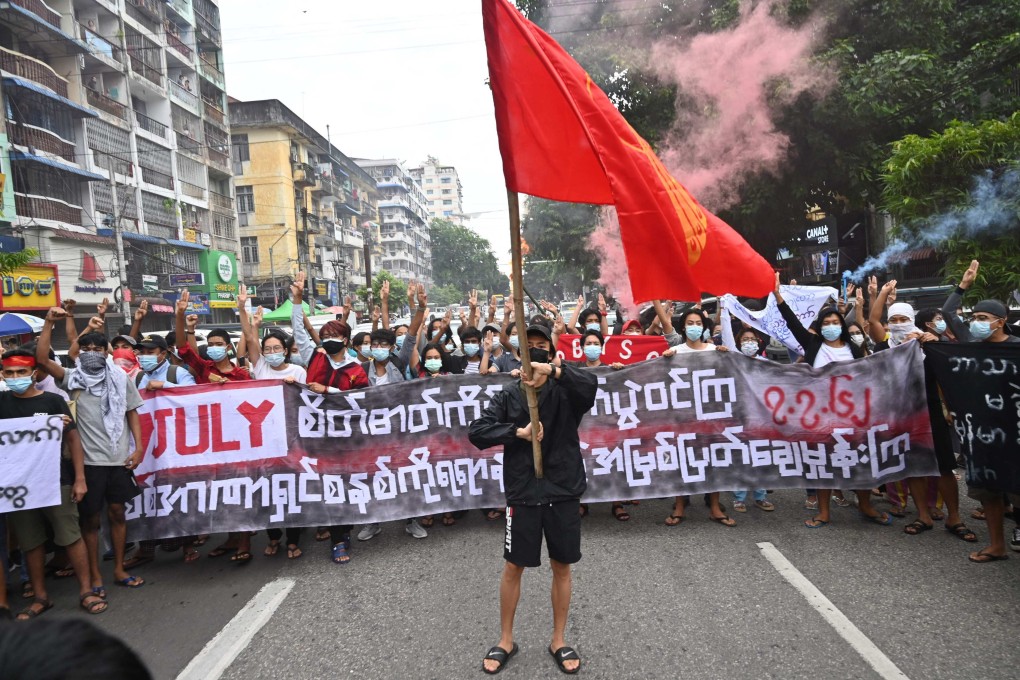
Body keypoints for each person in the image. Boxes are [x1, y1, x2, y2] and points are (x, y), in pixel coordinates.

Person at [469, 324, 598, 675]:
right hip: (524, 492)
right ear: (518, 354)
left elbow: (590, 387)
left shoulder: (566, 390)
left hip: (563, 490)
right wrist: (517, 433)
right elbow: (477, 431)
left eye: (543, 345)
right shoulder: (509, 394)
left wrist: (556, 371)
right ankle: (506, 639)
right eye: (530, 346)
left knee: (562, 565)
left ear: (552, 352)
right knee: (514, 566)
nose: (536, 351)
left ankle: (559, 639)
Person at [35, 308, 146, 595]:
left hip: (119, 459)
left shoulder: (121, 379)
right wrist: (49, 323)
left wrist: (139, 447)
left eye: (98, 348)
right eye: (87, 348)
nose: (92, 352)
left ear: (107, 352)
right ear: (79, 351)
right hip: (89, 464)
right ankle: (95, 574)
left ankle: (120, 568)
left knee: (118, 513)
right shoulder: (71, 378)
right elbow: (41, 359)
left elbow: (132, 413)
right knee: (91, 520)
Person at [775, 274, 889, 529]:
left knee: (861, 461)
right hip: (821, 416)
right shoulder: (813, 345)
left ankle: (866, 505)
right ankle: (824, 512)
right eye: (825, 322)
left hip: (856, 415)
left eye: (835, 321)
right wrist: (779, 297)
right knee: (823, 463)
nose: (830, 326)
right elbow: (792, 323)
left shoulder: (855, 350)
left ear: (842, 324)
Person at [0, 348, 107, 620]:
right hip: (17, 488)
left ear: (34, 373)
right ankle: (40, 597)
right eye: (10, 373)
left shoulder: (52, 402)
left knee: (70, 535)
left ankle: (85, 591)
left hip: (55, 480)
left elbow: (74, 441)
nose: (16, 377)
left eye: (21, 372)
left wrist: (80, 479)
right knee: (30, 543)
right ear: (2, 374)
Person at [940, 260, 1020, 562]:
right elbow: (948, 314)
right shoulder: (969, 344)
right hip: (981, 433)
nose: (976, 322)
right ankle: (997, 544)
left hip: (1013, 432)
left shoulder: (1016, 348)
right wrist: (963, 286)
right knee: (988, 493)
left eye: (983, 317)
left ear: (1000, 321)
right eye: (974, 317)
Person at [291, 272, 369, 564]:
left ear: (346, 339)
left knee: (341, 487)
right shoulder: (317, 357)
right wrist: (297, 301)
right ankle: (335, 531)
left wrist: (329, 390)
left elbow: (363, 402)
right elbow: (299, 332)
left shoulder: (357, 370)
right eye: (324, 337)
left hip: (345, 438)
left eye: (334, 336)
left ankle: (341, 538)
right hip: (313, 435)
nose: (328, 341)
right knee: (323, 486)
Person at [173, 292, 254, 564]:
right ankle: (229, 538)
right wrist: (182, 318)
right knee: (217, 493)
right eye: (210, 344)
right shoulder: (203, 368)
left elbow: (250, 403)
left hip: (236, 440)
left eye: (219, 343)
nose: (214, 347)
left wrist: (228, 387)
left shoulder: (241, 374)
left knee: (238, 490)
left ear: (229, 347)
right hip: (208, 440)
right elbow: (183, 348)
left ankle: (243, 541)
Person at [661, 307, 734, 527]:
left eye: (698, 323)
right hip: (683, 416)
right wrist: (664, 362)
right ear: (683, 326)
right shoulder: (676, 351)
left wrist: (725, 357)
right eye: (690, 323)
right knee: (682, 461)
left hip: (711, 416)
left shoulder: (714, 350)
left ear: (704, 326)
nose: (694, 327)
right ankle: (680, 507)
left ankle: (714, 507)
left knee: (713, 461)